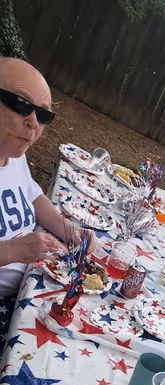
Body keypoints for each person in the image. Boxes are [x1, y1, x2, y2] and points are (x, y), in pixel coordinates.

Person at [0, 57, 92, 350]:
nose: (33, 123)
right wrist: (15, 250)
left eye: (43, 116)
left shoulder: (13, 154)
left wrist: (68, 231)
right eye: (21, 105)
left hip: (31, 285)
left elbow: (34, 196)